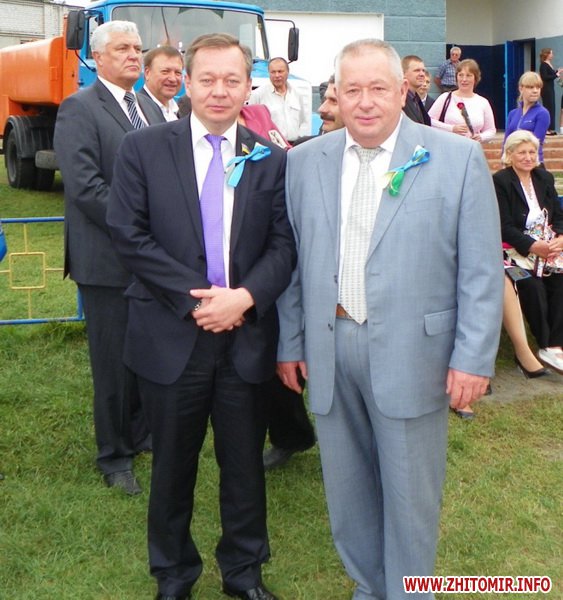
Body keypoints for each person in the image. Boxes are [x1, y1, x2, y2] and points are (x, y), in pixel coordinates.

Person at [277, 38, 504, 599]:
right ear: (335, 94)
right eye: (352, 89)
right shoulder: (303, 162)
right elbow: (294, 262)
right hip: (331, 349)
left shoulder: (456, 159)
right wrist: (291, 342)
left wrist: (473, 358)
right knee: (347, 493)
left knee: (409, 496)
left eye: (378, 88)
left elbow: (481, 270)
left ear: (403, 91)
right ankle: (369, 585)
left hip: (414, 354)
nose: (365, 101)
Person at [107, 33, 296, 600]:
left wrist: (244, 298)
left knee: (244, 468)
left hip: (245, 337)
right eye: (207, 79)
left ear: (247, 86)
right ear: (186, 82)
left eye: (231, 80)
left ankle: (244, 573)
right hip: (170, 335)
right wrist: (196, 301)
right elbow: (128, 233)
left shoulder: (271, 158)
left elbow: (284, 245)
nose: (219, 90)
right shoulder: (142, 148)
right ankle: (173, 575)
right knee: (171, 467)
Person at [53, 20, 162, 495]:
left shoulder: (148, 107)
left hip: (150, 259)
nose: (134, 55)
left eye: (137, 48)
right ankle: (114, 456)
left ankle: (139, 433)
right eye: (122, 49)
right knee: (113, 363)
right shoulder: (79, 108)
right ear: (98, 58)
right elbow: (84, 186)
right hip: (106, 259)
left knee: (144, 353)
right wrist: (138, 228)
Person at [262, 73, 347, 471]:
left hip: (352, 304)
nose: (322, 109)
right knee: (281, 369)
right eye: (324, 99)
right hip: (299, 286)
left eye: (332, 101)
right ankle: (292, 436)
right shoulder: (302, 158)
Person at [494, 130, 563, 373]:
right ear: (509, 154)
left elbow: (559, 215)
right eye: (521, 152)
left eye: (532, 152)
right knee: (531, 285)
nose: (528, 157)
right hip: (514, 253)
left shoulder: (544, 177)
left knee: (560, 281)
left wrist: (560, 238)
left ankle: (555, 346)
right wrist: (532, 246)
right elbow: (503, 226)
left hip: (548, 250)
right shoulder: (501, 181)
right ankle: (543, 343)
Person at [428, 58, 496, 142]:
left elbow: (491, 130)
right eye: (460, 75)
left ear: (475, 78)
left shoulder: (483, 102)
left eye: (468, 75)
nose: (464, 79)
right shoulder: (445, 98)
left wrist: (481, 137)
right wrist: (451, 128)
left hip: (472, 147)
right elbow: (429, 120)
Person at [248, 57, 311, 143]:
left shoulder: (297, 94)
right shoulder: (258, 95)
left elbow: (304, 121)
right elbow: (252, 124)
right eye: (273, 72)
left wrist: (300, 142)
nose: (277, 75)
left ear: (288, 72)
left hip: (295, 145)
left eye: (280, 71)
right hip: (271, 145)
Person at [504, 71, 550, 164]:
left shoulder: (542, 113)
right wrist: (504, 159)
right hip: (513, 162)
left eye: (538, 87)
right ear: (521, 88)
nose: (535, 91)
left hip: (532, 162)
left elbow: (536, 142)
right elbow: (506, 141)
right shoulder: (513, 114)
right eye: (531, 87)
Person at [139, 45, 184, 121]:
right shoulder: (136, 109)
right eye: (165, 71)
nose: (173, 79)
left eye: (178, 73)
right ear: (147, 73)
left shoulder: (180, 111)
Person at [538, 48, 563, 136]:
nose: (552, 55)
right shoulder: (543, 65)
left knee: (552, 108)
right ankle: (547, 129)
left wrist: (557, 71)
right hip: (546, 89)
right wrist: (556, 75)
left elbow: (551, 74)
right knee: (548, 108)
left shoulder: (548, 64)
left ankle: (551, 128)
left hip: (550, 88)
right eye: (551, 53)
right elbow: (545, 77)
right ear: (547, 54)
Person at [401, 55, 431, 125]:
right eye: (417, 70)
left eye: (423, 70)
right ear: (403, 73)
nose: (422, 74)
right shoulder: (398, 98)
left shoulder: (416, 99)